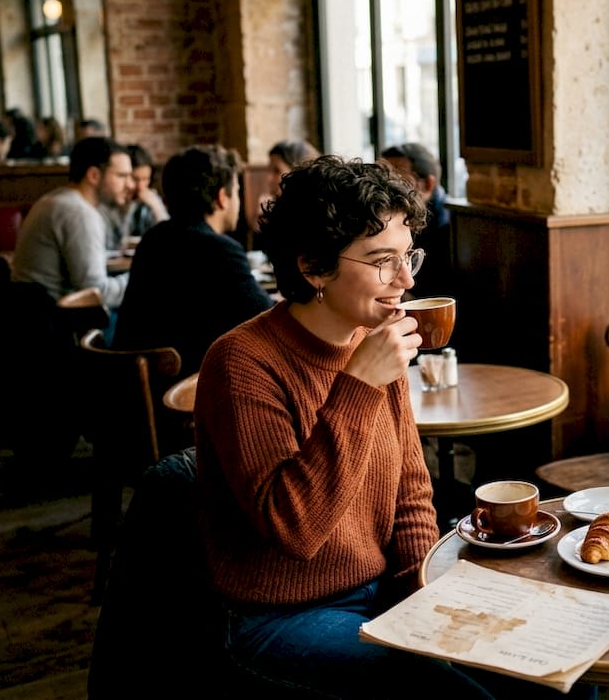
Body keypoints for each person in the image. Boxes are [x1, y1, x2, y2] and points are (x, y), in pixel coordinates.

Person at [193, 155, 494, 698]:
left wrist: (423, 598)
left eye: (408, 256)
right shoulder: (241, 362)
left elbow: (410, 494)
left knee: (550, 673)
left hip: (380, 591)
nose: (406, 279)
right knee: (451, 695)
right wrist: (358, 385)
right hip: (281, 617)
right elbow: (295, 529)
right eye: (383, 260)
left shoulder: (372, 339)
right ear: (313, 267)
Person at [113, 144, 271, 378]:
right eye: (237, 191)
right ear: (222, 198)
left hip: (134, 380)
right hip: (184, 386)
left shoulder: (153, 238)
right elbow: (268, 318)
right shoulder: (220, 249)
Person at [10, 136, 132, 314]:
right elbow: (95, 292)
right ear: (93, 175)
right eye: (122, 176)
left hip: (30, 313)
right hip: (57, 321)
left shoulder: (58, 199)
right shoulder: (78, 213)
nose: (130, 185)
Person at [381, 142, 452, 297]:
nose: (386, 189)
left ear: (428, 184)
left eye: (398, 180)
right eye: (381, 178)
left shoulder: (449, 228)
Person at [99, 143, 169, 250]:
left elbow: (168, 236)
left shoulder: (150, 202)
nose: (141, 186)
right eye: (135, 179)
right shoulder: (109, 201)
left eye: (145, 179)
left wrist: (156, 206)